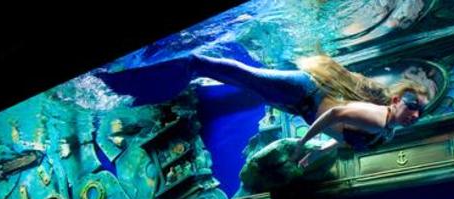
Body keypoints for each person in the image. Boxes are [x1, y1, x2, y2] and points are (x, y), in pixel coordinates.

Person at [96, 52, 428, 166]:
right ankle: (189, 63)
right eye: (412, 104)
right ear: (397, 101)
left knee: (244, 79)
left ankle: (191, 68)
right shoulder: (379, 119)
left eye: (420, 112)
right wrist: (301, 145)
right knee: (242, 75)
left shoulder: (384, 132)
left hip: (296, 103)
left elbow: (343, 138)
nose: (414, 114)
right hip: (303, 91)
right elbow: (335, 116)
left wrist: (316, 152)